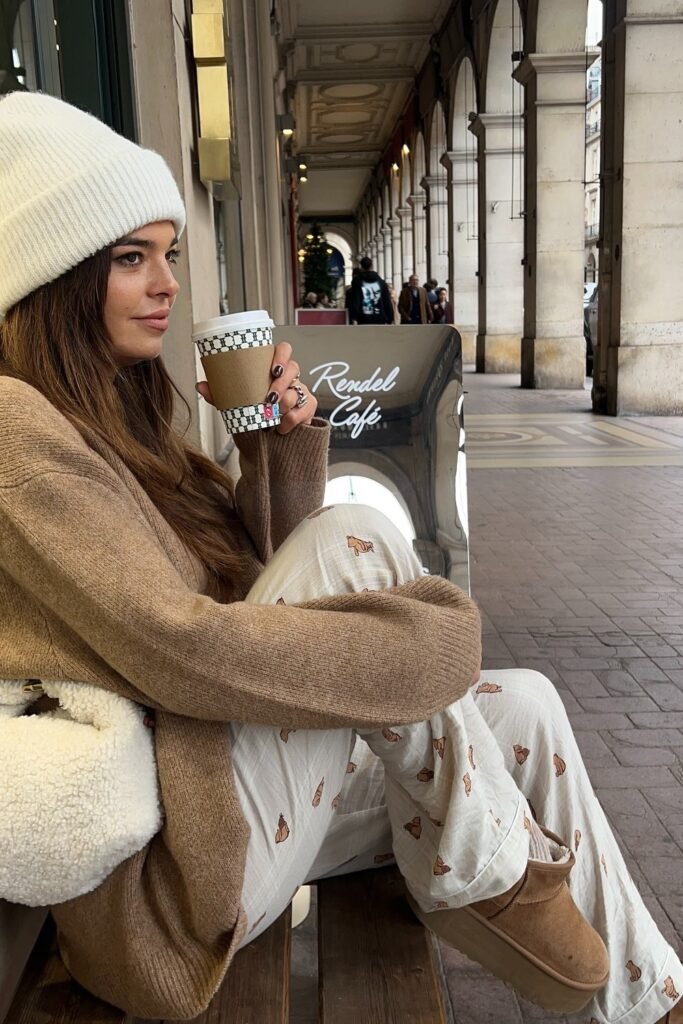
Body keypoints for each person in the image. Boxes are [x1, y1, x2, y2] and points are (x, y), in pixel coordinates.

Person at [0, 92, 680, 1024]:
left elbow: (256, 586)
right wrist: (422, 642)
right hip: (167, 890)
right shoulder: (17, 435)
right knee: (354, 544)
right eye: (129, 259)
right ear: (51, 274)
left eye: (167, 254)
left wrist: (276, 445)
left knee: (526, 702)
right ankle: (490, 874)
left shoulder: (115, 417)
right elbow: (181, 648)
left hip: (220, 804)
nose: (165, 284)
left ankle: (653, 1005)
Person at [346, 256, 393, 325]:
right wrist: (389, 317)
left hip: (363, 318)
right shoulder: (381, 282)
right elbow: (386, 300)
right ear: (371, 266)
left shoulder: (357, 282)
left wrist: (353, 317)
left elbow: (356, 300)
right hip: (379, 318)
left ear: (361, 266)